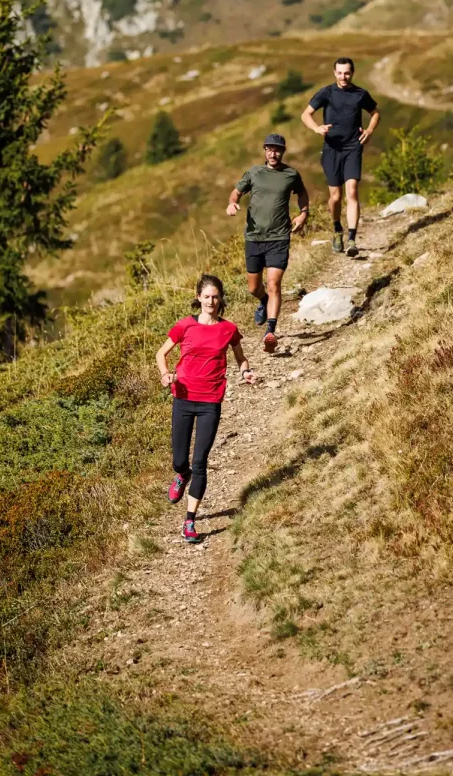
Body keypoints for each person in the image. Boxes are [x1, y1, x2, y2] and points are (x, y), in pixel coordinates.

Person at [155, 273, 258, 543]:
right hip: (183, 397)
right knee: (180, 460)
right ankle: (182, 474)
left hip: (211, 401)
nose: (211, 301)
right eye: (206, 296)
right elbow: (161, 353)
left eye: (215, 296)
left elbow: (240, 357)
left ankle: (189, 521)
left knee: (200, 462)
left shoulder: (229, 329)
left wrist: (245, 372)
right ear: (198, 297)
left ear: (220, 298)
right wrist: (165, 374)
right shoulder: (185, 326)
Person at [226, 132, 309, 354]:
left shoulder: (291, 174)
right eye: (270, 149)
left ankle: (270, 331)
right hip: (254, 237)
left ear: (283, 152)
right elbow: (236, 192)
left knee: (274, 284)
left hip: (279, 237)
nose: (274, 153)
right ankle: (263, 301)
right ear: (264, 151)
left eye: (278, 149)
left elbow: (302, 193)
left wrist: (303, 213)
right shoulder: (254, 172)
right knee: (254, 288)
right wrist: (232, 204)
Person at [301, 57, 379, 257]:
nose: (343, 77)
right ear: (334, 72)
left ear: (352, 73)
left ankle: (352, 239)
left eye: (347, 73)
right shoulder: (327, 93)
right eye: (339, 73)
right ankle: (337, 230)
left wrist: (369, 130)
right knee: (335, 197)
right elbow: (305, 114)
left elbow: (375, 113)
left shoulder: (360, 94)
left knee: (352, 191)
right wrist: (317, 128)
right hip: (331, 149)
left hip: (353, 147)